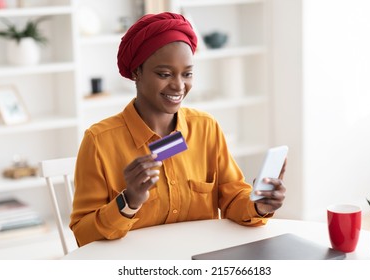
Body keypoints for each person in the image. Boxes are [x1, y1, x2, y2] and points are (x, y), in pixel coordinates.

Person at [70, 12, 286, 247]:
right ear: (136, 73)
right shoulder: (99, 141)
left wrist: (259, 205)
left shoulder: (205, 128)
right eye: (164, 74)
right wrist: (129, 200)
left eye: (188, 73)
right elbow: (83, 235)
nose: (179, 85)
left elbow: (233, 198)